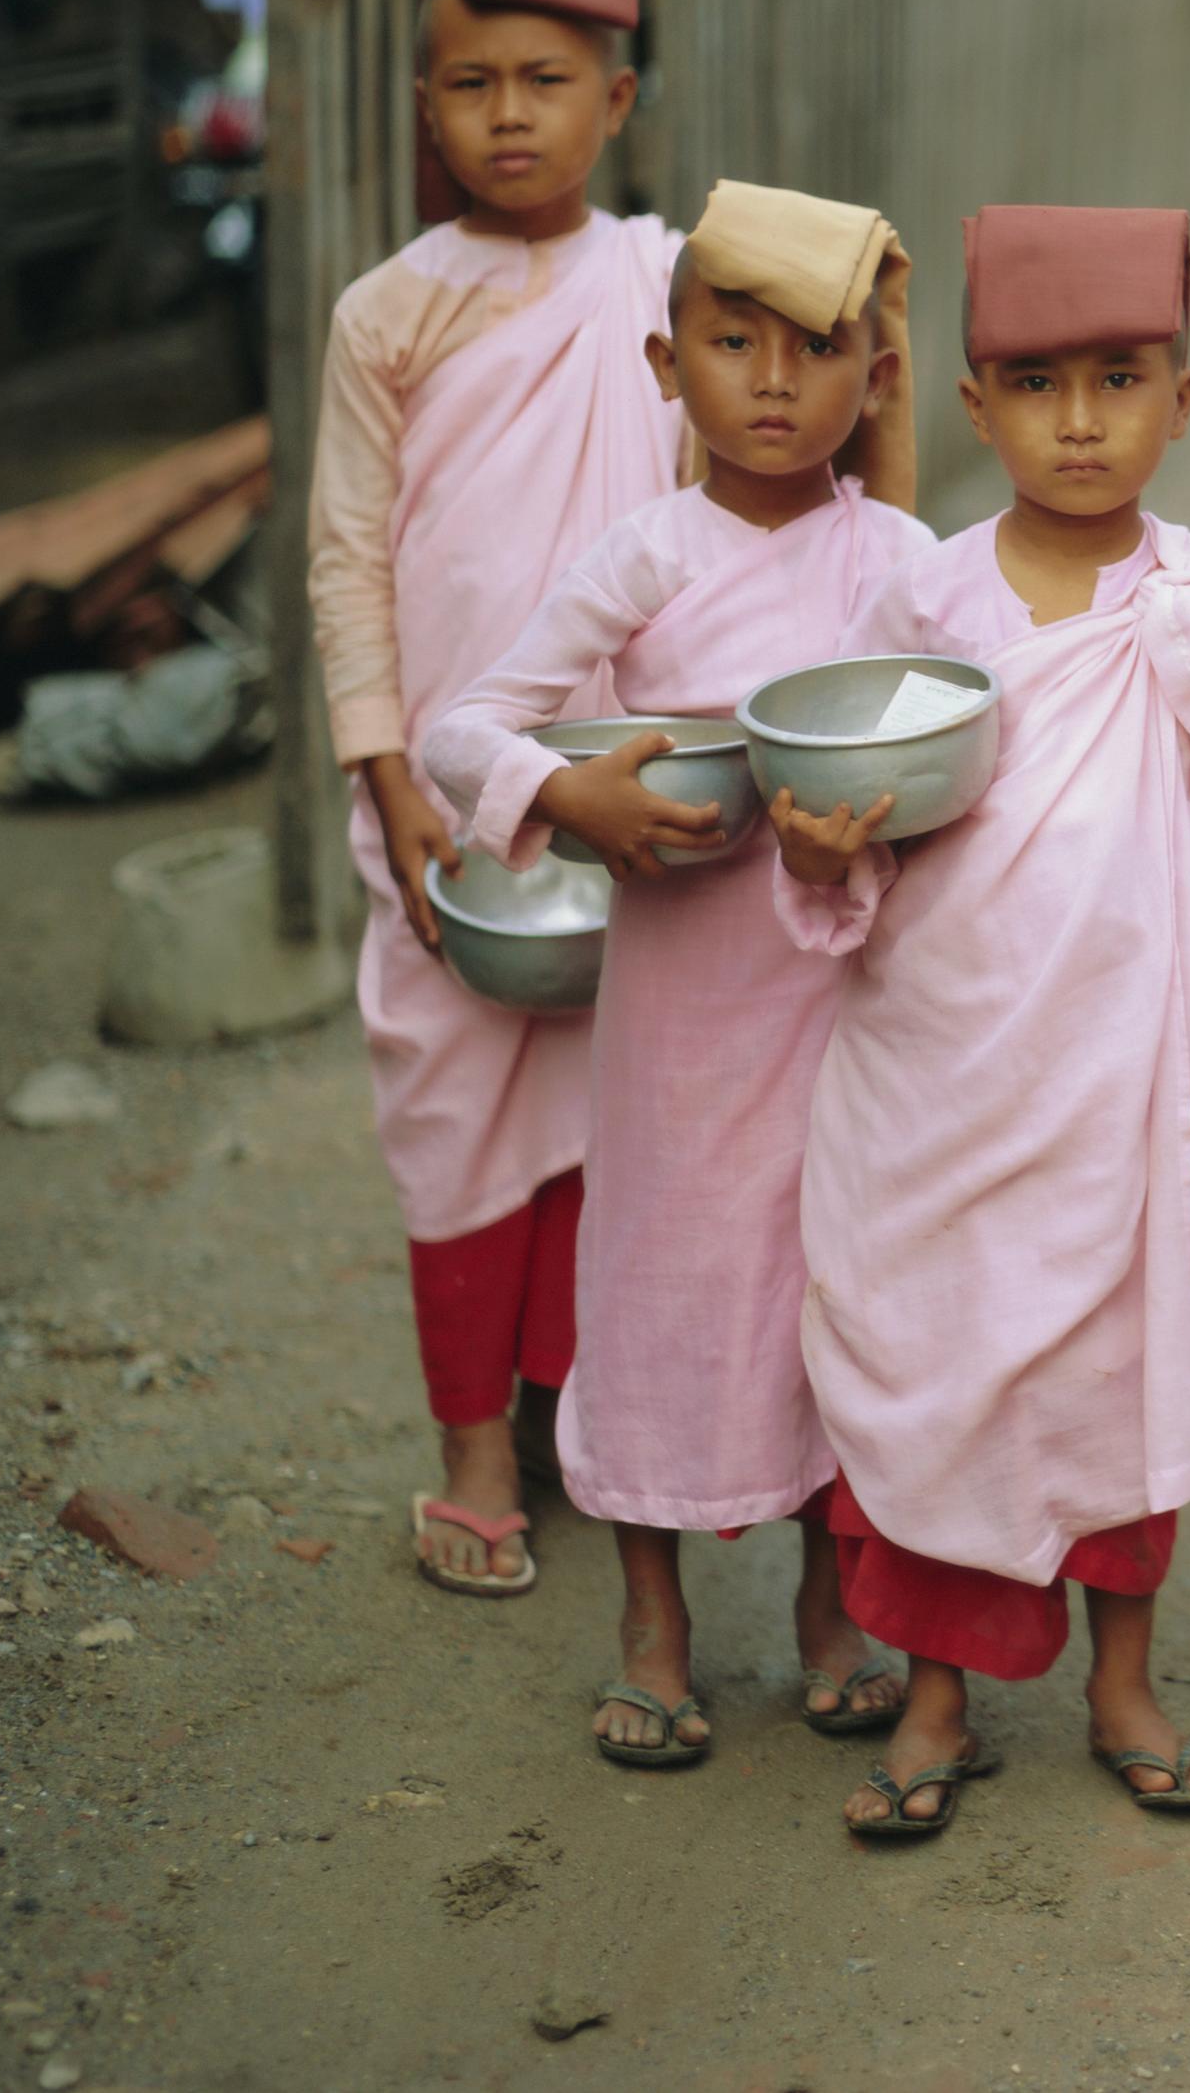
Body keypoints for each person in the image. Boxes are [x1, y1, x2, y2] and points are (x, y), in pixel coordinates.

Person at [772, 204, 1190, 1838]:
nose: (1081, 422)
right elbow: (857, 806)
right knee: (934, 1368)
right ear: (976, 402)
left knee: (1111, 1379)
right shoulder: (931, 602)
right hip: (933, 1070)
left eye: (1119, 380)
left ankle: (1121, 1681)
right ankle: (935, 1699)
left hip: (1119, 1081)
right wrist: (818, 848)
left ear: (1183, 397)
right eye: (1037, 383)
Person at [420, 183, 927, 1768]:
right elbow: (461, 727)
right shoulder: (639, 553)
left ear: (875, 373)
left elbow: (955, 756)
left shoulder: (902, 561)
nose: (773, 381)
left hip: (844, 1001)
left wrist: (851, 845)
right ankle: (653, 1619)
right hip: (677, 1017)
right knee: (659, 1286)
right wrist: (570, 797)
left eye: (817, 347)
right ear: (665, 363)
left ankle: (829, 1609)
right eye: (731, 340)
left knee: (833, 1283)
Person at [310, 0, 682, 1600]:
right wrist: (384, 773)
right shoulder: (386, 314)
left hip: (620, 775)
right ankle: (472, 1454)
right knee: (455, 1113)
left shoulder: (665, 288)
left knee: (609, 1118)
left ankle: (557, 1412)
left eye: (545, 83)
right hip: (448, 805)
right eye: (471, 84)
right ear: (424, 106)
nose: (508, 117)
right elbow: (347, 563)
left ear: (616, 99)